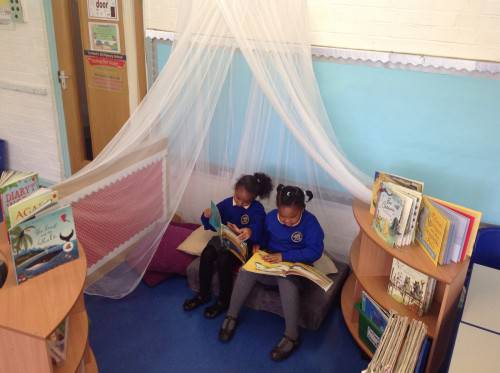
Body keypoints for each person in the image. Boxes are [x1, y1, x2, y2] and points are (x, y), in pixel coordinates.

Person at [218, 184, 324, 361]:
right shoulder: (270, 218)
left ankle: (292, 336)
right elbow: (262, 236)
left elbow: (315, 251)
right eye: (283, 217)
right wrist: (257, 242)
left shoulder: (310, 222)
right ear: (277, 209)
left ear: (302, 210)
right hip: (272, 266)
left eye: (292, 218)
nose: (286, 221)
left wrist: (284, 256)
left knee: (286, 281)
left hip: (295, 270)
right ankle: (231, 316)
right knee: (246, 270)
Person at [183, 173, 273, 319]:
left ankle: (223, 301)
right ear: (235, 190)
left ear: (253, 198)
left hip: (242, 245)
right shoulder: (226, 203)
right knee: (207, 254)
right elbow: (214, 224)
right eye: (237, 198)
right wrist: (207, 215)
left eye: (244, 202)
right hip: (224, 238)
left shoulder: (257, 209)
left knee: (224, 260)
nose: (239, 203)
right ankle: (203, 294)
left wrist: (250, 231)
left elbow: (260, 227)